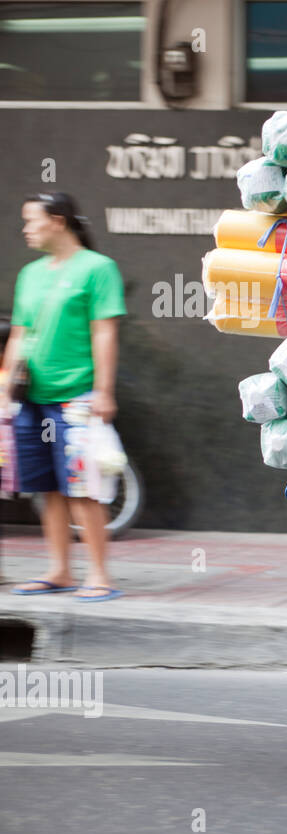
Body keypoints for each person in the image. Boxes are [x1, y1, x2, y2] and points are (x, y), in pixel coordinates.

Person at [0, 192, 126, 601]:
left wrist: (104, 392)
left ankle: (99, 575)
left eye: (31, 220)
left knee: (83, 487)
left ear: (58, 221)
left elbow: (104, 333)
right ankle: (59, 570)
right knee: (47, 487)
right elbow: (21, 334)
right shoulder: (30, 274)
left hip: (77, 396)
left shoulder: (98, 268)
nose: (25, 229)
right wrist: (5, 389)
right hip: (31, 398)